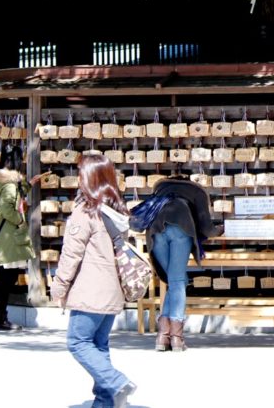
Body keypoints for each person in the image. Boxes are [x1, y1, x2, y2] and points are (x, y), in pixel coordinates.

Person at [50, 155, 137, 408]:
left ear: (89, 178)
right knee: (99, 345)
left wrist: (59, 287)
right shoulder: (117, 210)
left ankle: (116, 382)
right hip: (112, 289)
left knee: (78, 342)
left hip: (91, 289)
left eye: (80, 173)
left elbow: (71, 255)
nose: (77, 178)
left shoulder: (85, 211)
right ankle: (104, 402)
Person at [143, 175, 219, 352]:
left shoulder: (160, 188)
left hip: (155, 232)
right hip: (180, 229)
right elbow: (207, 228)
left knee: (175, 280)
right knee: (177, 281)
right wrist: (220, 230)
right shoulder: (197, 191)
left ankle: (163, 335)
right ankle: (176, 337)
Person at [0, 143, 33, 331]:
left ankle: (0, 316)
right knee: (9, 277)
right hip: (9, 237)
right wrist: (20, 221)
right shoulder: (9, 183)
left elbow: (15, 195)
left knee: (7, 276)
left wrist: (29, 183)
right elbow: (7, 207)